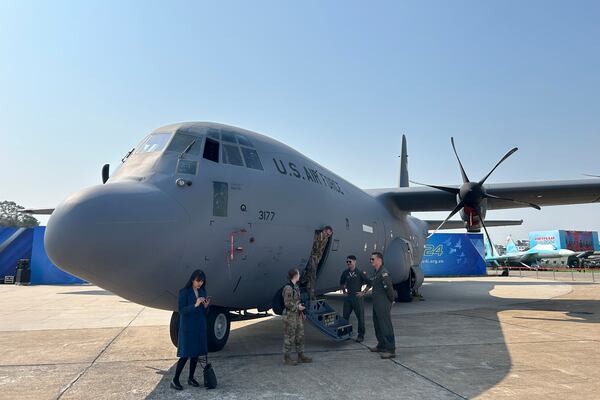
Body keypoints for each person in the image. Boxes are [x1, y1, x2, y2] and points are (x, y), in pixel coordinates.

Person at [171, 269, 210, 390]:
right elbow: (182, 311)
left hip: (199, 327)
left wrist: (205, 306)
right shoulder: (184, 292)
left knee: (195, 354)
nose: (200, 284)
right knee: (185, 354)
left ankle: (191, 378)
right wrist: (195, 305)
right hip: (188, 328)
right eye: (198, 281)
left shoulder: (202, 291)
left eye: (202, 281)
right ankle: (175, 379)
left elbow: (204, 312)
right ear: (192, 279)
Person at [367, 252, 396, 359]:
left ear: (379, 260)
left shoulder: (384, 273)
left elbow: (389, 288)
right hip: (377, 304)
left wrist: (392, 300)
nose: (371, 261)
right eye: (370, 259)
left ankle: (391, 349)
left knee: (386, 326)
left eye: (372, 259)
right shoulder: (376, 272)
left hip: (383, 304)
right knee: (377, 325)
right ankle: (382, 345)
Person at [282, 268, 312, 365]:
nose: (300, 275)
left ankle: (301, 355)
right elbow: (287, 303)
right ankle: (287, 358)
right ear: (295, 276)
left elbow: (297, 301)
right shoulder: (288, 288)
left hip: (298, 315)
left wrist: (302, 312)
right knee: (290, 337)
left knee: (300, 335)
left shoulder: (296, 287)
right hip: (290, 316)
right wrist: (297, 307)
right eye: (298, 274)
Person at [339, 255, 371, 342]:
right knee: (345, 317)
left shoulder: (360, 272)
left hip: (357, 298)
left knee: (360, 318)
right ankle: (345, 334)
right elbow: (341, 282)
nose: (348, 263)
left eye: (350, 262)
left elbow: (369, 283)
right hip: (348, 298)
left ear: (355, 262)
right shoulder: (345, 273)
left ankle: (361, 335)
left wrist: (363, 292)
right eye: (347, 262)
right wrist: (344, 291)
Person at [305, 226, 333, 301]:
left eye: (329, 235)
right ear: (323, 231)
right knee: (312, 275)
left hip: (316, 259)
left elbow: (321, 251)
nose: (328, 236)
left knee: (311, 274)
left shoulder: (326, 239)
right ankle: (311, 293)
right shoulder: (316, 236)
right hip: (310, 256)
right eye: (327, 234)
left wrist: (317, 259)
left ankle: (308, 287)